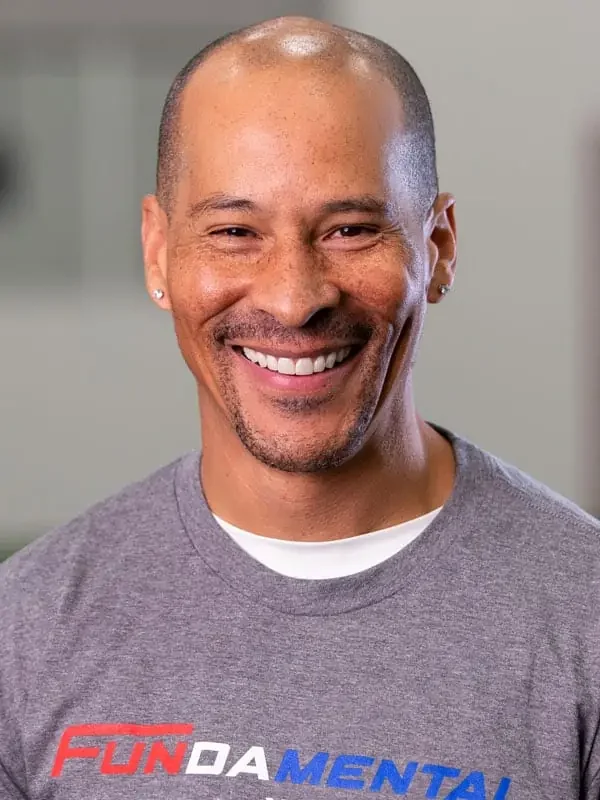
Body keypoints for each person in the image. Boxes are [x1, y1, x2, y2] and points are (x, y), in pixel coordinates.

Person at [0, 15, 598, 800]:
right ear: (158, 252)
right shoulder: (25, 634)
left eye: (350, 229)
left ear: (439, 248)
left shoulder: (583, 620)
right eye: (235, 231)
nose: (292, 298)